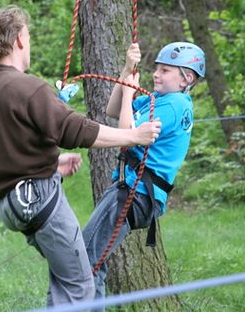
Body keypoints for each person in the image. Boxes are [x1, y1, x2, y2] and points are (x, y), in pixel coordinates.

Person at [0, 6, 162, 307]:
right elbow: (76, 131)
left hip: (11, 205)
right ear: (19, 39)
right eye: (28, 36)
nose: (28, 43)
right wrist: (133, 136)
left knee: (66, 280)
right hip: (37, 199)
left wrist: (54, 162)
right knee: (79, 287)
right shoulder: (27, 88)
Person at [82, 41, 206, 306]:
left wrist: (128, 93)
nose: (156, 74)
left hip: (135, 193)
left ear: (187, 78)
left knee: (87, 260)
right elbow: (113, 110)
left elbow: (128, 135)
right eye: (157, 69)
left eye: (165, 70)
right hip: (133, 192)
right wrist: (127, 71)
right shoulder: (160, 100)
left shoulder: (173, 106)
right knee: (91, 258)